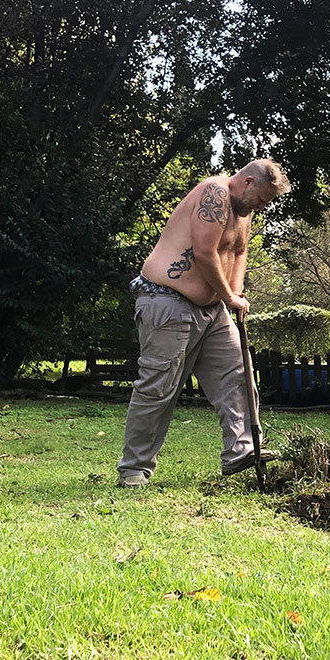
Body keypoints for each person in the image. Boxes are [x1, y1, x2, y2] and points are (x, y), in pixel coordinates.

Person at [116, 159, 291, 486]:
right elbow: (204, 252)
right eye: (261, 199)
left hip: (212, 310)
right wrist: (228, 297)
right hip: (167, 301)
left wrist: (235, 293)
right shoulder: (215, 192)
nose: (262, 206)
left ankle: (241, 449)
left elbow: (239, 252)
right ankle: (133, 470)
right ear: (248, 182)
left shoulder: (244, 209)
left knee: (238, 375)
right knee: (158, 387)